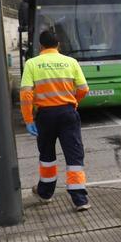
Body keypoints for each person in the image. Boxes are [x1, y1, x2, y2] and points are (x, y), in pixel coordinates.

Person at [20, 30, 91, 211]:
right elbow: (83, 88)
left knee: (47, 156)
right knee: (74, 154)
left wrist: (28, 119)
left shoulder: (32, 64)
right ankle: (79, 199)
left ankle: (45, 193)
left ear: (40, 46)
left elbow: (26, 94)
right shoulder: (71, 62)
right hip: (68, 114)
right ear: (58, 45)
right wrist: (73, 102)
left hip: (45, 116)